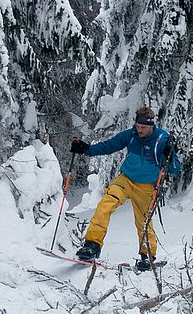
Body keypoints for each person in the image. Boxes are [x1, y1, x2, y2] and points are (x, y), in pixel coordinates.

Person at [70, 106, 179, 270]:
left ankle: (146, 257)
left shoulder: (162, 140)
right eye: (137, 126)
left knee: (144, 222)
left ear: (151, 126)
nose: (139, 130)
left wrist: (170, 155)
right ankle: (92, 245)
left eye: (143, 127)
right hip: (125, 179)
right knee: (105, 205)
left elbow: (175, 169)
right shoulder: (131, 135)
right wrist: (86, 149)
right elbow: (109, 146)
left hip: (147, 187)